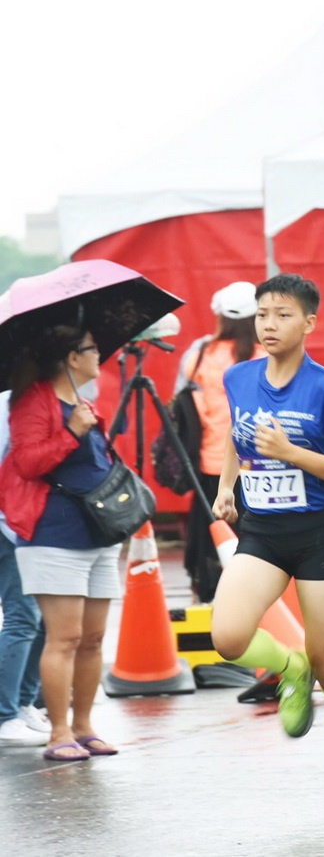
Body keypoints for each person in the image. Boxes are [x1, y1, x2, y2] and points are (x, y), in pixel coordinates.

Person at [208, 274, 324, 814]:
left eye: (282, 314)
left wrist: (293, 453)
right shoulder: (238, 377)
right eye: (262, 314)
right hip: (261, 532)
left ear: (309, 322)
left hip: (316, 535)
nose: (269, 324)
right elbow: (238, 440)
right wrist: (226, 489)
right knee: (228, 636)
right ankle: (290, 668)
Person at [0, 325, 123, 762]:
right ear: (72, 357)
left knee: (93, 638)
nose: (100, 355)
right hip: (53, 534)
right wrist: (71, 431)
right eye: (93, 348)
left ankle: (86, 726)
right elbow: (27, 462)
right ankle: (59, 732)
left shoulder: (82, 400)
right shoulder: (33, 400)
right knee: (64, 637)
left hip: (98, 532)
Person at [177, 281, 264, 603]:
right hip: (262, 467)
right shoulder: (267, 357)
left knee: (215, 540)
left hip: (210, 466)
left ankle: (217, 602)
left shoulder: (201, 356)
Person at [0, 390, 50, 748]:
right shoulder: (11, 403)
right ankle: (6, 713)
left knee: (43, 616)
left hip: (28, 523)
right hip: (11, 524)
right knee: (24, 616)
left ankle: (23, 703)